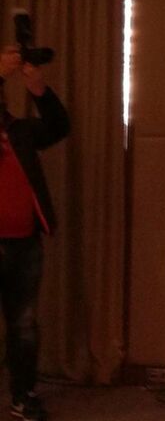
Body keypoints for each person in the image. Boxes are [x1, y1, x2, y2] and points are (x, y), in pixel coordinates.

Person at [0, 45, 69, 421]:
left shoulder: (20, 131)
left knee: (24, 325)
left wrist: (39, 89)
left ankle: (23, 396)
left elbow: (59, 126)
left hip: (25, 244)